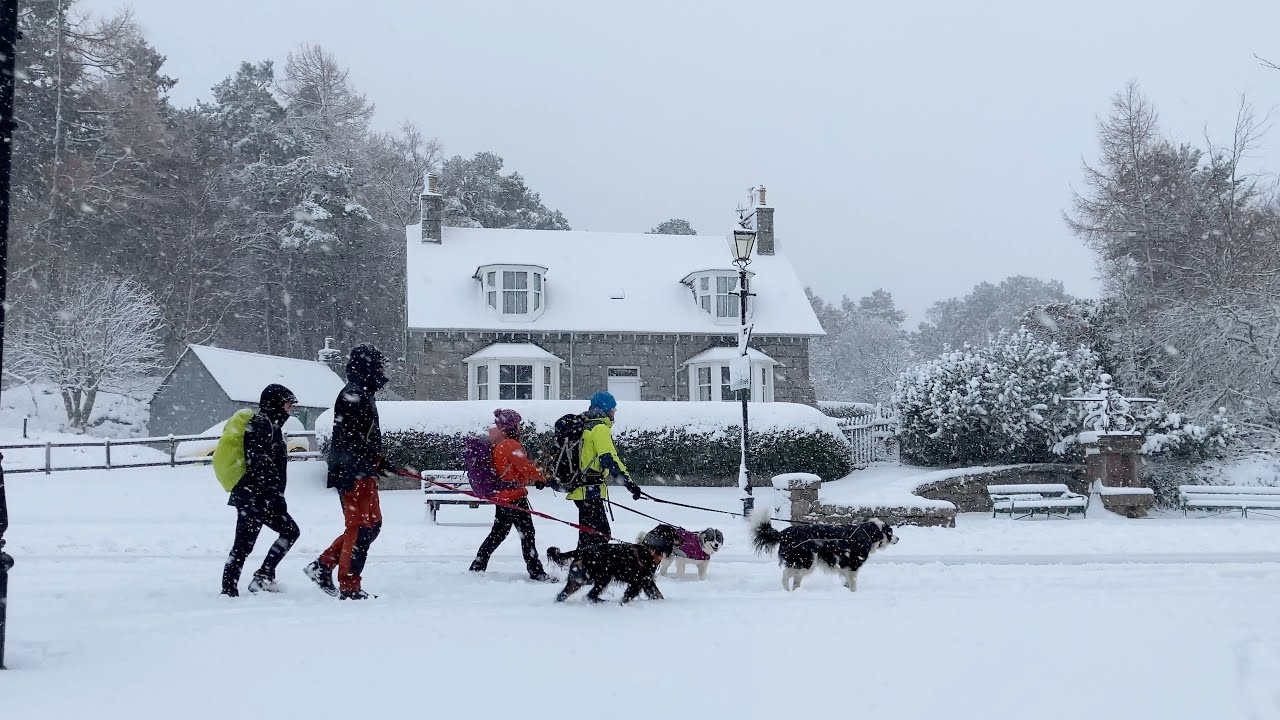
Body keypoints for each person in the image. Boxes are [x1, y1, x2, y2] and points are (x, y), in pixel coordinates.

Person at [305, 344, 396, 600]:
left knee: (373, 526)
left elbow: (364, 439)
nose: (382, 370)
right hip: (352, 473)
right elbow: (351, 441)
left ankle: (322, 565)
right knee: (360, 529)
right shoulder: (352, 395)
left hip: (362, 470)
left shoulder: (363, 392)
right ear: (367, 367)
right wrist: (373, 462)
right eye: (378, 365)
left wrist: (379, 462)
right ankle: (350, 587)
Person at [222, 384, 301, 597]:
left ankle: (264, 576)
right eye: (287, 404)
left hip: (264, 498)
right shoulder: (260, 426)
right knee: (243, 546)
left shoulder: (272, 427)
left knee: (290, 532)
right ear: (275, 403)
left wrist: (275, 497)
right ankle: (228, 591)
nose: (290, 410)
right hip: (253, 498)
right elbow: (259, 465)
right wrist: (272, 496)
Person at [469, 409, 551, 581]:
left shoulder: (498, 443)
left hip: (502, 496)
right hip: (514, 497)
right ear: (512, 426)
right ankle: (537, 572)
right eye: (518, 424)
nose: (520, 428)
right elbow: (525, 466)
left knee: (498, 533)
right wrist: (541, 478)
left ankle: (478, 565)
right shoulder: (510, 445)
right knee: (527, 534)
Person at [566, 391, 643, 548]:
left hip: (582, 487)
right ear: (606, 409)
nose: (614, 412)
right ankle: (582, 568)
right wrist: (629, 484)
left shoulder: (585, 425)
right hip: (589, 489)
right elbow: (609, 460)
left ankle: (581, 566)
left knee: (589, 534)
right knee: (600, 534)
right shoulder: (599, 428)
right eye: (613, 408)